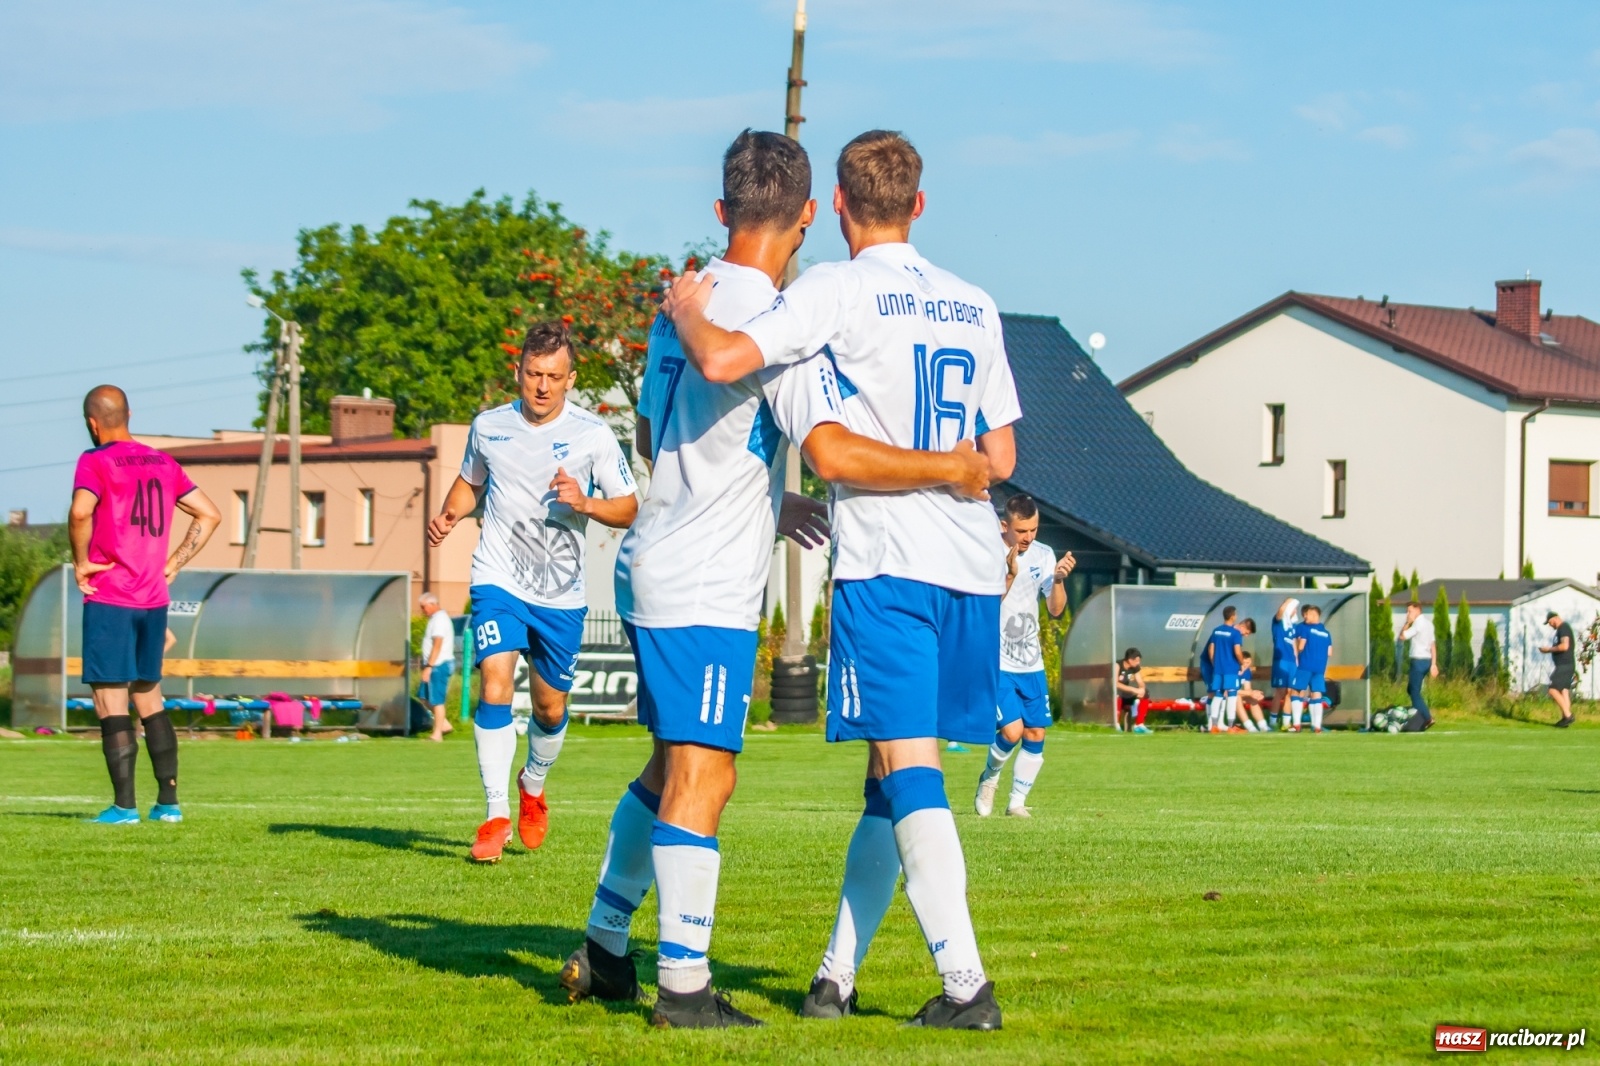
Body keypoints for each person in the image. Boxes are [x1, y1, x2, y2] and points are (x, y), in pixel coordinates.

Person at [558, 130, 992, 1029]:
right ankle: (683, 989)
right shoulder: (778, 324)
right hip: (710, 580)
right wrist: (948, 469)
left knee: (667, 762)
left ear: (721, 211)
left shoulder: (683, 301)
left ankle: (605, 948)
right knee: (706, 778)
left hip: (655, 559)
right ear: (806, 214)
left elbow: (656, 436)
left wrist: (766, 497)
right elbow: (827, 446)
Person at [427, 321, 640, 864]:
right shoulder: (488, 426)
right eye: (532, 375)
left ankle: (533, 785)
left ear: (572, 378)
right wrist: (451, 513)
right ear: (517, 372)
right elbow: (471, 480)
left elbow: (629, 506)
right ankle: (495, 813)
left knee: (549, 707)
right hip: (498, 576)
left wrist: (586, 503)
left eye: (552, 376)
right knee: (494, 679)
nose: (541, 386)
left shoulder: (593, 435)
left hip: (562, 590)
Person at [68, 385, 220, 824]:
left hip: (111, 595)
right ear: (129, 414)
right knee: (150, 697)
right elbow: (209, 514)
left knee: (110, 701)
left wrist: (81, 563)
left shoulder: (94, 460)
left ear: (92, 423)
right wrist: (173, 564)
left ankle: (123, 807)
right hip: (153, 599)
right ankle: (168, 805)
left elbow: (81, 513)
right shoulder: (164, 462)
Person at [974, 494, 1073, 817]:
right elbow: (984, 609)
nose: (1029, 537)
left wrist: (1057, 580)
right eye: (1022, 531)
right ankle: (989, 778)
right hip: (995, 659)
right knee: (1011, 731)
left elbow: (1056, 610)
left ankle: (1016, 802)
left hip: (1030, 660)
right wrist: (1010, 574)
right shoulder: (989, 552)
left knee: (1035, 732)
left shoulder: (1044, 555)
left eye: (1033, 530)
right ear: (1005, 526)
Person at [1202, 608, 1252, 733]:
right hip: (1231, 669)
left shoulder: (1216, 630)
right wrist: (1241, 663)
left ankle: (1213, 725)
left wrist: (1215, 664)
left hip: (1218, 669)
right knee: (1232, 696)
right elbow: (1237, 651)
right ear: (1233, 616)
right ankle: (1231, 726)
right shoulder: (1235, 633)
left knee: (1218, 695)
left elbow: (1211, 649)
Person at [417, 592, 455, 742]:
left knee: (437, 700)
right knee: (423, 697)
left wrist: (429, 666)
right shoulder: (435, 619)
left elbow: (437, 644)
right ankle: (444, 725)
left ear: (433, 604)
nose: (422, 610)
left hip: (438, 664)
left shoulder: (440, 620)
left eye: (424, 607)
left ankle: (437, 734)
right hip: (434, 664)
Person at [1293, 605, 1334, 733]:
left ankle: (1296, 724)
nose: (1305, 616)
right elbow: (1330, 652)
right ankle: (1316, 726)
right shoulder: (1326, 633)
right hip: (1320, 668)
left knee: (1296, 691)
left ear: (1315, 615)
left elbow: (1301, 647)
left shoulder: (1306, 630)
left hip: (1305, 665)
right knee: (1316, 693)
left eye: (1308, 614)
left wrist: (1297, 647)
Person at [1398, 601, 1437, 729]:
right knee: (1411, 689)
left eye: (1410, 611)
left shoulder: (1418, 624)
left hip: (1418, 661)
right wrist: (1434, 664)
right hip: (1427, 661)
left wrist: (1407, 623)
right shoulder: (1429, 624)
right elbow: (1432, 645)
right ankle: (1421, 716)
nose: (1408, 614)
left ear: (1417, 610)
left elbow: (1402, 637)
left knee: (1414, 692)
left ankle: (1426, 718)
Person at [1540, 611, 1576, 728]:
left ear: (1555, 618)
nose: (1550, 625)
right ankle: (1565, 719)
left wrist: (1548, 650)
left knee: (1552, 690)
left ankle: (1568, 715)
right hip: (1566, 665)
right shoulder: (1561, 629)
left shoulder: (1563, 628)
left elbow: (1565, 646)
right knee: (1563, 690)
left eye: (1550, 622)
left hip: (1565, 665)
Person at [1271, 598, 1300, 730]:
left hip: (1291, 662)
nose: (1296, 611)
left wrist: (1296, 660)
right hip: (1280, 660)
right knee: (1280, 691)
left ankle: (1286, 723)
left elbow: (1294, 643)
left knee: (1290, 691)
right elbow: (1280, 611)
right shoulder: (1278, 623)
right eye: (1294, 608)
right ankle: (1272, 721)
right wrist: (1288, 601)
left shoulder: (1293, 625)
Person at [1114, 648, 1149, 734]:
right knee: (1117, 692)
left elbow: (1140, 681)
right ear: (1130, 660)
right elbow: (1116, 684)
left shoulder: (1135, 667)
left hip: (1125, 694)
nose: (1138, 663)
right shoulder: (1117, 665)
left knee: (1146, 693)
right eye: (1137, 661)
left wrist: (1141, 689)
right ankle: (1116, 724)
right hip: (1111, 695)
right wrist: (1134, 690)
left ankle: (1139, 725)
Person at [1236, 652, 1270, 732]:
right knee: (1236, 698)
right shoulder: (1234, 670)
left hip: (1238, 693)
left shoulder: (1247, 671)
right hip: (1225, 695)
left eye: (1249, 662)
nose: (1246, 665)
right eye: (1245, 662)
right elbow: (1230, 690)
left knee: (1253, 698)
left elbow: (1248, 689)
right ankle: (1249, 726)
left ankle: (1263, 726)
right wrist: (1250, 693)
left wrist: (1255, 693)